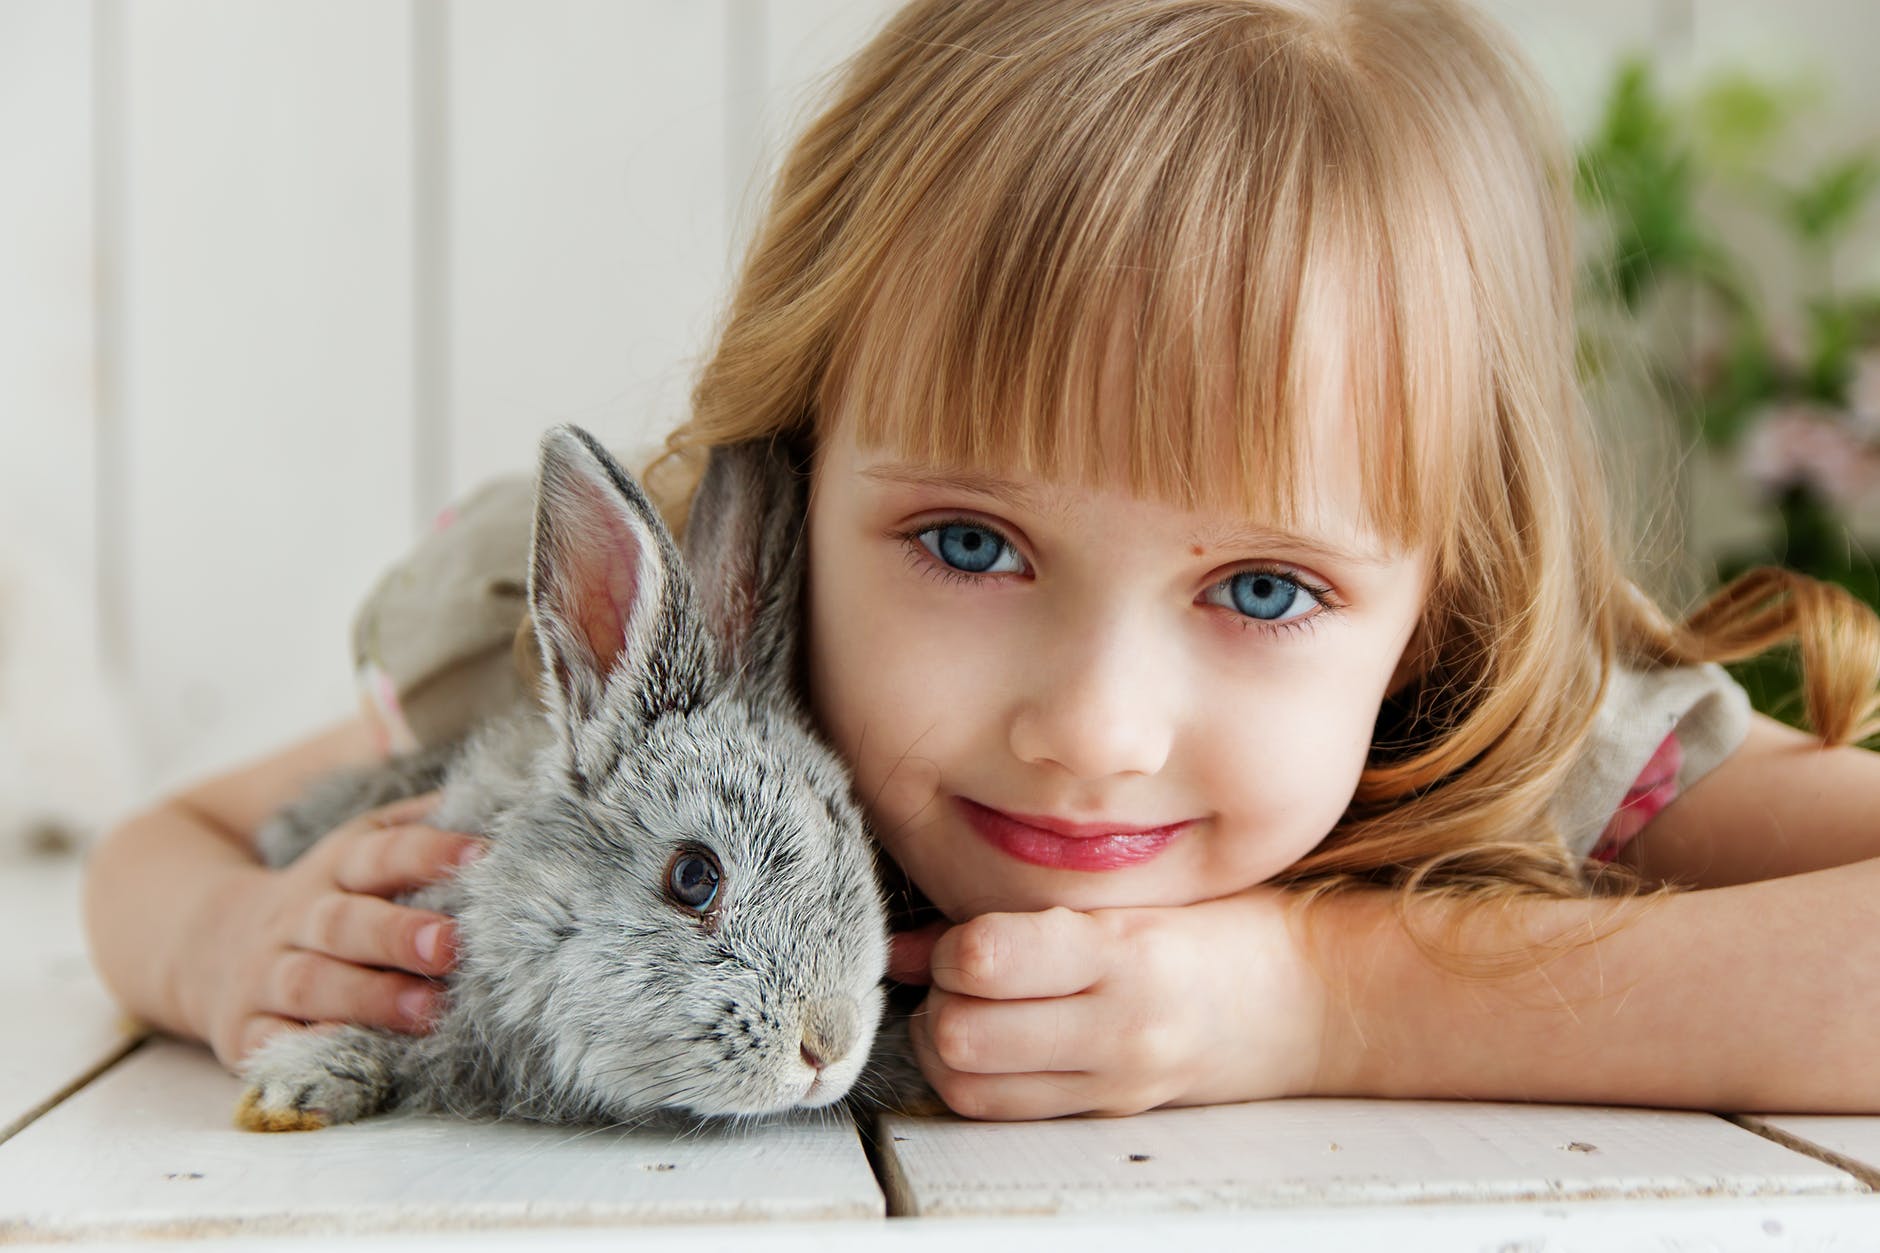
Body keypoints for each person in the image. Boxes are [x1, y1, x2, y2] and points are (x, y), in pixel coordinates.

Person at [85, 0, 1880, 1121]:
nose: (1094, 729)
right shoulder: (675, 692)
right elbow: (156, 851)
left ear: (1436, 602)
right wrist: (237, 938)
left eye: (1263, 589)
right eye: (969, 540)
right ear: (799, 464)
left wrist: (1326, 997)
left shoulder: (1488, 725)